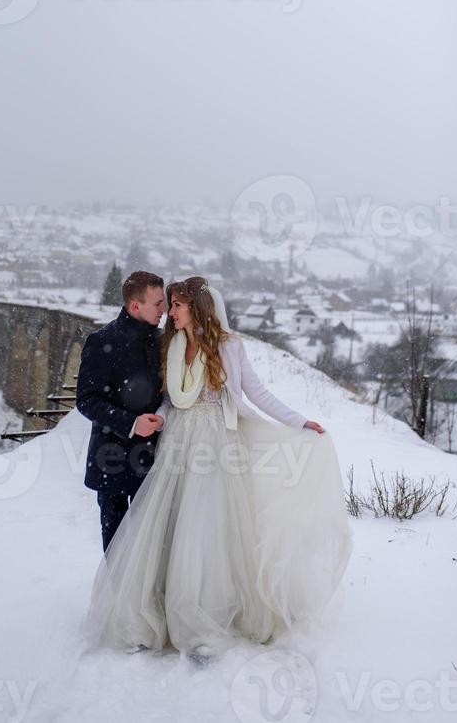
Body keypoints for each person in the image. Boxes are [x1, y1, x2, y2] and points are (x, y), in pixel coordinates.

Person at [79, 276, 353, 665]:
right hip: (175, 445)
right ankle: (158, 608)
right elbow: (167, 399)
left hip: (216, 447)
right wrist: (146, 419)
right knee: (169, 531)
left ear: (198, 309)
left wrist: (298, 421)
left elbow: (257, 393)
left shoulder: (230, 347)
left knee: (206, 529)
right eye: (166, 304)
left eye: (176, 305)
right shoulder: (170, 344)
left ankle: (203, 615)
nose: (169, 312)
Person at [75, 270, 167, 551]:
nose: (164, 310)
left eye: (164, 302)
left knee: (151, 545)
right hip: (111, 459)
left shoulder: (163, 341)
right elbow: (87, 400)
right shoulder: (102, 341)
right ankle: (115, 596)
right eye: (158, 304)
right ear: (135, 306)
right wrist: (130, 423)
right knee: (116, 546)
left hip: (154, 458)